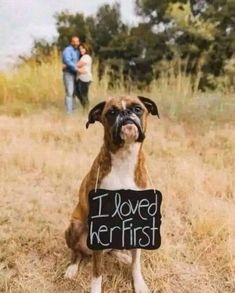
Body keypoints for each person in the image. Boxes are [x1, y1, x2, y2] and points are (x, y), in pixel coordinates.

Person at [62, 36, 80, 113]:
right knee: (69, 92)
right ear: (71, 42)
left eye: (77, 41)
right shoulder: (67, 50)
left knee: (74, 93)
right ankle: (68, 112)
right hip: (68, 73)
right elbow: (67, 61)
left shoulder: (78, 51)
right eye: (74, 41)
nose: (76, 43)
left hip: (76, 74)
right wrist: (75, 68)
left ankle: (73, 110)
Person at [76, 43, 93, 109]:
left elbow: (78, 65)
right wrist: (78, 70)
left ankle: (86, 109)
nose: (81, 50)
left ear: (86, 49)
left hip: (85, 78)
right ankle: (85, 107)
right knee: (78, 93)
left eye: (82, 48)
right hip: (81, 78)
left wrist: (75, 68)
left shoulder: (86, 57)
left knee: (84, 95)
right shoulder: (83, 57)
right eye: (80, 49)